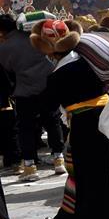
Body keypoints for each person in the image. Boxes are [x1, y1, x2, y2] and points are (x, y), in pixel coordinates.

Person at [32, 20, 109, 219]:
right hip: (103, 117)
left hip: (86, 124)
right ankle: (69, 218)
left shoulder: (61, 72)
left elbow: (47, 104)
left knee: (91, 175)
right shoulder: (87, 61)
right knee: (95, 173)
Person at [0, 13, 64, 181]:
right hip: (47, 86)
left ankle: (30, 167)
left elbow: (8, 69)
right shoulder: (34, 37)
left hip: (24, 91)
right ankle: (59, 159)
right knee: (52, 121)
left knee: (25, 128)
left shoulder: (4, 48)